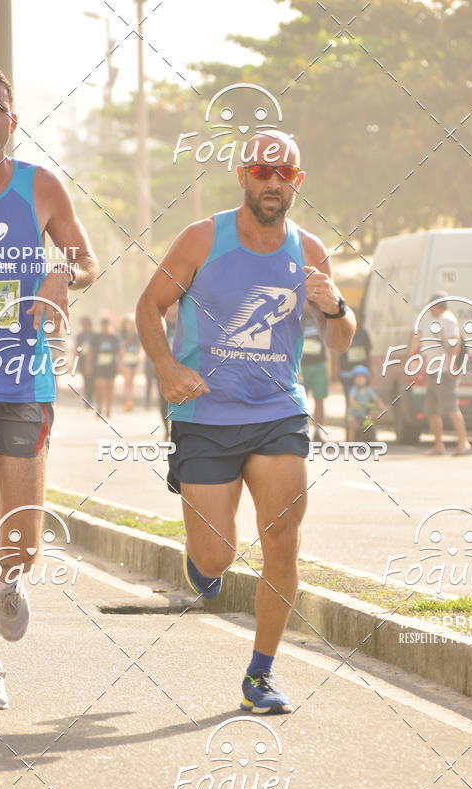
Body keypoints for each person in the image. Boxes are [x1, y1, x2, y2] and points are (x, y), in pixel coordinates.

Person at [137, 131, 356, 715]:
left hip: (277, 412)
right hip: (205, 413)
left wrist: (336, 305)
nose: (272, 182)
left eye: (284, 173)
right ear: (243, 175)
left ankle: (260, 674)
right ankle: (200, 561)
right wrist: (165, 367)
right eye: (262, 171)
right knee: (216, 559)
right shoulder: (203, 238)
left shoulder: (310, 250)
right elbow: (148, 305)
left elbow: (339, 341)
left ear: (297, 182)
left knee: (282, 540)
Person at [0, 63, 98, 709]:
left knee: (22, 540)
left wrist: (67, 274)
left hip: (24, 377)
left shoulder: (42, 187)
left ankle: (10, 576)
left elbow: (87, 259)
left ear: (12, 119)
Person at [410, 293, 472, 455]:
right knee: (432, 409)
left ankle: (463, 443)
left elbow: (454, 342)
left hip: (444, 371)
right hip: (434, 370)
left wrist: (451, 365)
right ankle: (439, 445)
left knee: (450, 406)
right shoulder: (437, 320)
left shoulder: (447, 319)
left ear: (436, 305)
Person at [300, 307, 329, 442]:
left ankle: (318, 432)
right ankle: (300, 431)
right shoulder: (298, 313)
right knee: (300, 400)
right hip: (302, 365)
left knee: (320, 399)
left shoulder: (322, 313)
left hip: (319, 363)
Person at [91, 317, 121, 418]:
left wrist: (120, 365)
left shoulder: (114, 338)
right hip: (99, 366)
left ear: (110, 326)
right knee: (100, 388)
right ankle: (99, 406)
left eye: (107, 326)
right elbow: (90, 352)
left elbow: (120, 352)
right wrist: (89, 365)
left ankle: (109, 409)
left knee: (110, 388)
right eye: (104, 326)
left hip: (111, 366)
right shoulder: (97, 337)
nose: (105, 328)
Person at [346, 366, 385, 441]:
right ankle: (351, 442)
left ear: (366, 379)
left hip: (365, 413)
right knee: (352, 425)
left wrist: (381, 406)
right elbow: (351, 397)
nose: (360, 380)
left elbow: (376, 399)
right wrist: (353, 402)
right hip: (354, 413)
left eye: (362, 377)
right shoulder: (354, 390)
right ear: (354, 379)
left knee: (371, 422)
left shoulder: (368, 390)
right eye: (357, 378)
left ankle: (372, 439)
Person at [120, 316, 140, 412]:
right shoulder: (122, 336)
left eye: (131, 325)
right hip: (126, 361)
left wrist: (139, 357)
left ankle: (130, 401)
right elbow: (120, 349)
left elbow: (139, 349)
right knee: (127, 381)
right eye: (127, 325)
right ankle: (127, 401)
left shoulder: (136, 336)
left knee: (131, 382)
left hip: (134, 360)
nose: (129, 327)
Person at [76, 315, 96, 405]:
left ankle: (91, 397)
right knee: (86, 379)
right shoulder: (80, 335)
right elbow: (77, 347)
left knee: (92, 379)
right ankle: (88, 398)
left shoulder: (94, 335)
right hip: (83, 359)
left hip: (93, 360)